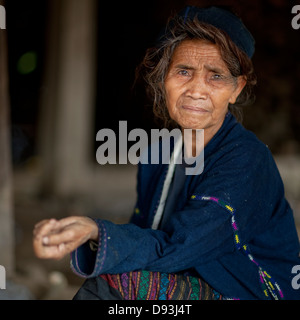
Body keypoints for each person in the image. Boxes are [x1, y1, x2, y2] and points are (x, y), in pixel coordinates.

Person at [33, 6, 300, 300]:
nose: (196, 90)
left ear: (236, 89)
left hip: (247, 292)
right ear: (163, 79)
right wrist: (87, 233)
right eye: (183, 72)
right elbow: (146, 236)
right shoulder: (157, 156)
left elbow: (180, 245)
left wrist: (97, 231)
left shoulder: (247, 160)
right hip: (189, 277)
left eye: (216, 77)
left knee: (116, 285)